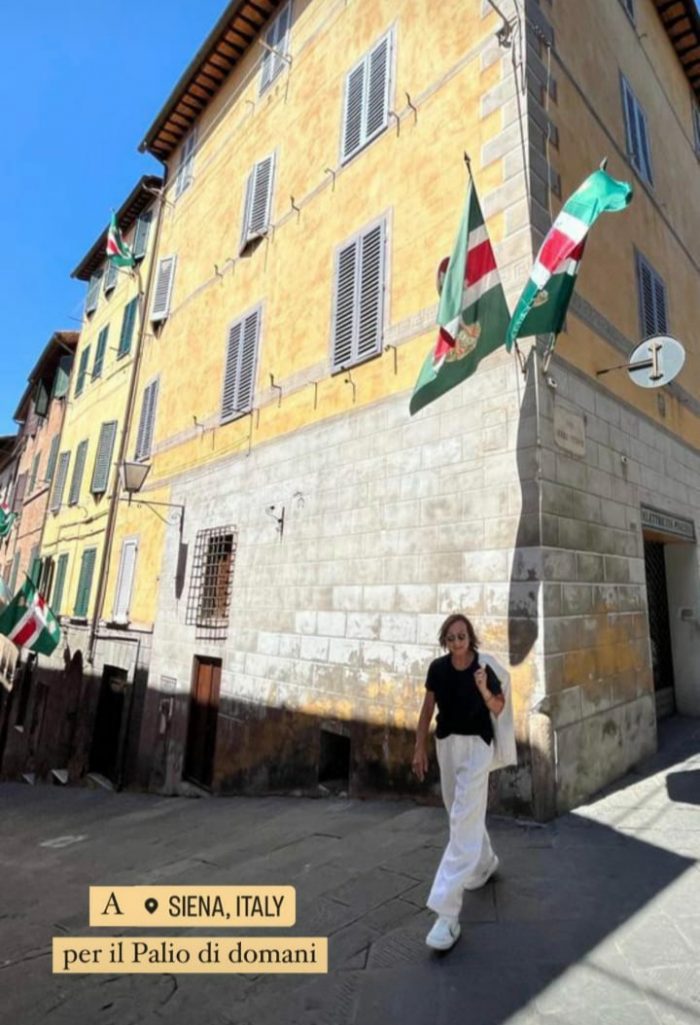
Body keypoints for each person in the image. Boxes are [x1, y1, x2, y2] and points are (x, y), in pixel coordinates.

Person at [412, 612, 506, 951]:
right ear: (445, 641)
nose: (457, 642)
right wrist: (419, 746)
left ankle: (446, 913)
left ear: (470, 638)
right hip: (447, 745)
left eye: (461, 636)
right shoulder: (437, 669)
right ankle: (484, 862)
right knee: (458, 811)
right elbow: (426, 712)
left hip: (477, 747)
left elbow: (498, 707)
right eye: (451, 637)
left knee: (463, 816)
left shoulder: (483, 668)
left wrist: (483, 688)